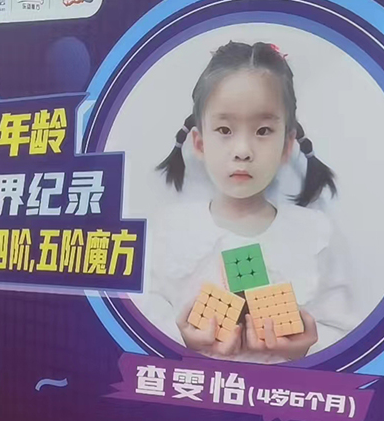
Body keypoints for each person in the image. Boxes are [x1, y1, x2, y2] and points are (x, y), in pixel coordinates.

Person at [137, 41, 357, 363]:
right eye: (224, 129)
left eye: (263, 130)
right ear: (199, 142)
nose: (243, 150)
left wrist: (307, 346)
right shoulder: (168, 229)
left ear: (287, 145)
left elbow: (347, 336)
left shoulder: (316, 234)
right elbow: (137, 323)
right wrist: (181, 338)